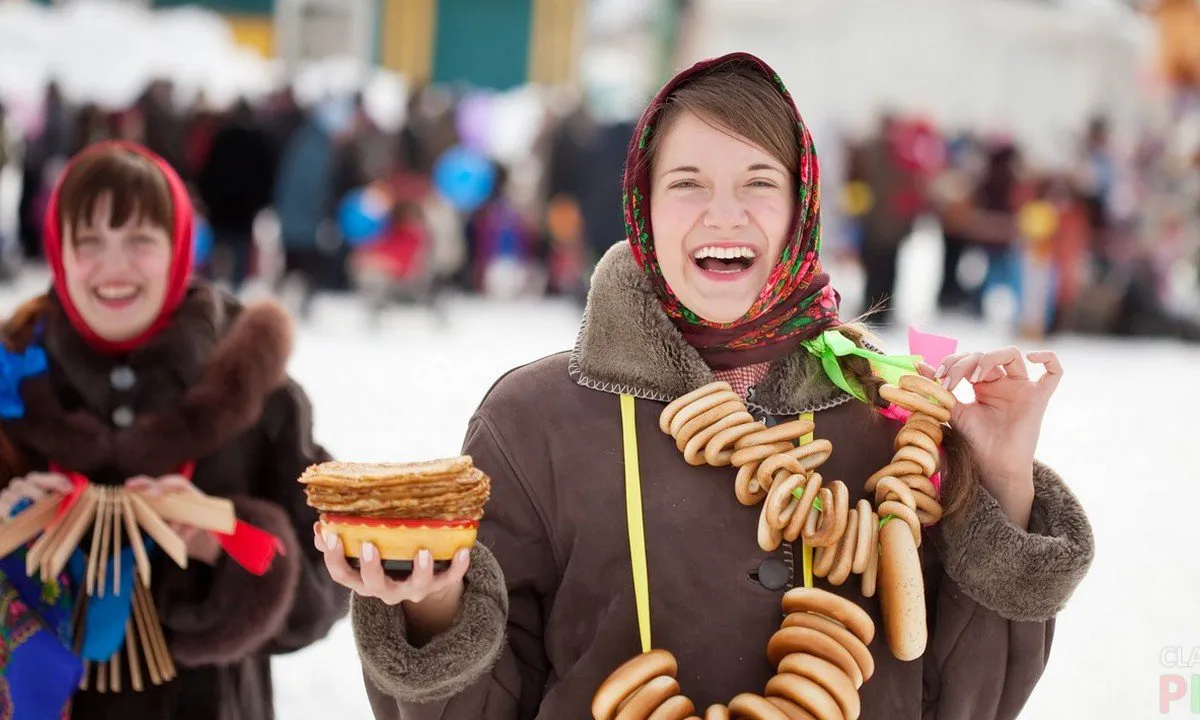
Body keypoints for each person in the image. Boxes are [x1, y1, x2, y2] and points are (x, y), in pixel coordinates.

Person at [323, 54, 1094, 719]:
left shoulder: (892, 421)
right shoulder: (534, 423)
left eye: (759, 182)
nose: (723, 214)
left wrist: (999, 476)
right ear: (643, 209)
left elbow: (969, 700)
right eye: (687, 183)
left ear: (801, 209)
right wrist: (425, 606)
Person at [0, 141, 346, 718]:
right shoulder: (12, 382)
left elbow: (326, 588)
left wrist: (228, 538)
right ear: (60, 254)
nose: (114, 268)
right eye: (89, 243)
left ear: (180, 247)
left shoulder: (258, 391)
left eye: (139, 240)